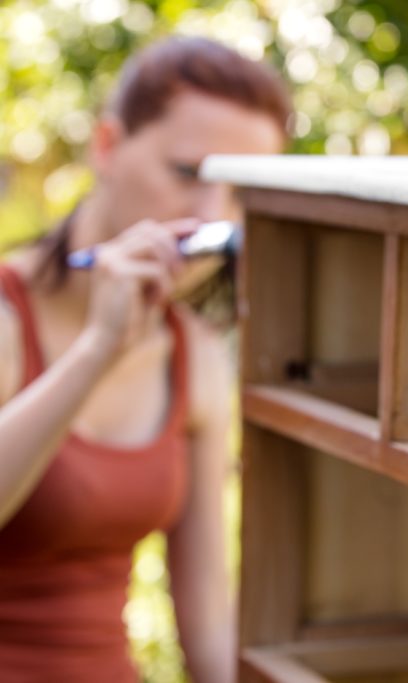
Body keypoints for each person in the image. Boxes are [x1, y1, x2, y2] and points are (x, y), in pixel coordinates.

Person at [0, 37, 290, 681]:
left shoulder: (199, 357)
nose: (209, 217)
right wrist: (99, 349)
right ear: (106, 146)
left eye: (239, 193)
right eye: (189, 175)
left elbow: (209, 630)